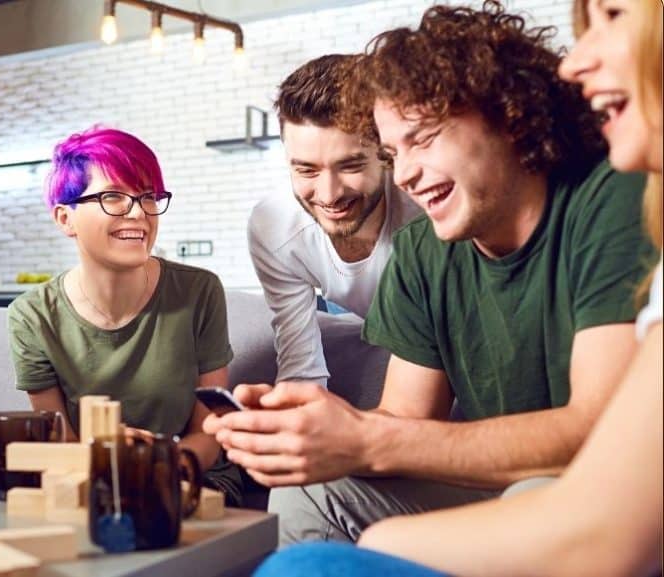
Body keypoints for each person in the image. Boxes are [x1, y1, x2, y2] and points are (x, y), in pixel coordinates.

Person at [206, 0, 654, 545]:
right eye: (395, 152)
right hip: (493, 481)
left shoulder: (615, 196)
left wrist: (368, 439)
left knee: (529, 495)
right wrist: (314, 432)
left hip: (601, 486)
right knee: (312, 492)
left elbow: (599, 429)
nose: (408, 175)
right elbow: (406, 418)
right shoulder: (423, 250)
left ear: (509, 115)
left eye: (421, 139)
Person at [7, 126, 242, 503]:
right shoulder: (33, 317)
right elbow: (61, 442)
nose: (139, 213)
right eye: (114, 197)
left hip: (192, 476)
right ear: (65, 218)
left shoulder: (199, 292)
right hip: (92, 480)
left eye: (148, 197)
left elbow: (211, 430)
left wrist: (164, 462)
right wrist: (113, 465)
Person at [248, 54, 420, 386]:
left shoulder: (424, 208)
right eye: (306, 169)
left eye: (350, 166)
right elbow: (302, 367)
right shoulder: (273, 226)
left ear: (385, 155)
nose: (328, 195)